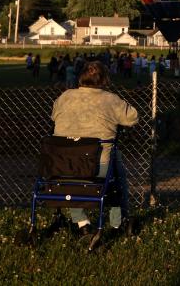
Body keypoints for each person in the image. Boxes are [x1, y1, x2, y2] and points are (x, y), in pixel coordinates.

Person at [51, 61, 138, 233]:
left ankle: (81, 222)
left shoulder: (65, 97)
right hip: (97, 166)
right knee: (115, 162)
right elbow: (133, 118)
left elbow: (54, 117)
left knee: (74, 174)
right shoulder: (110, 99)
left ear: (81, 76)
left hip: (63, 164)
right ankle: (116, 221)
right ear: (104, 79)